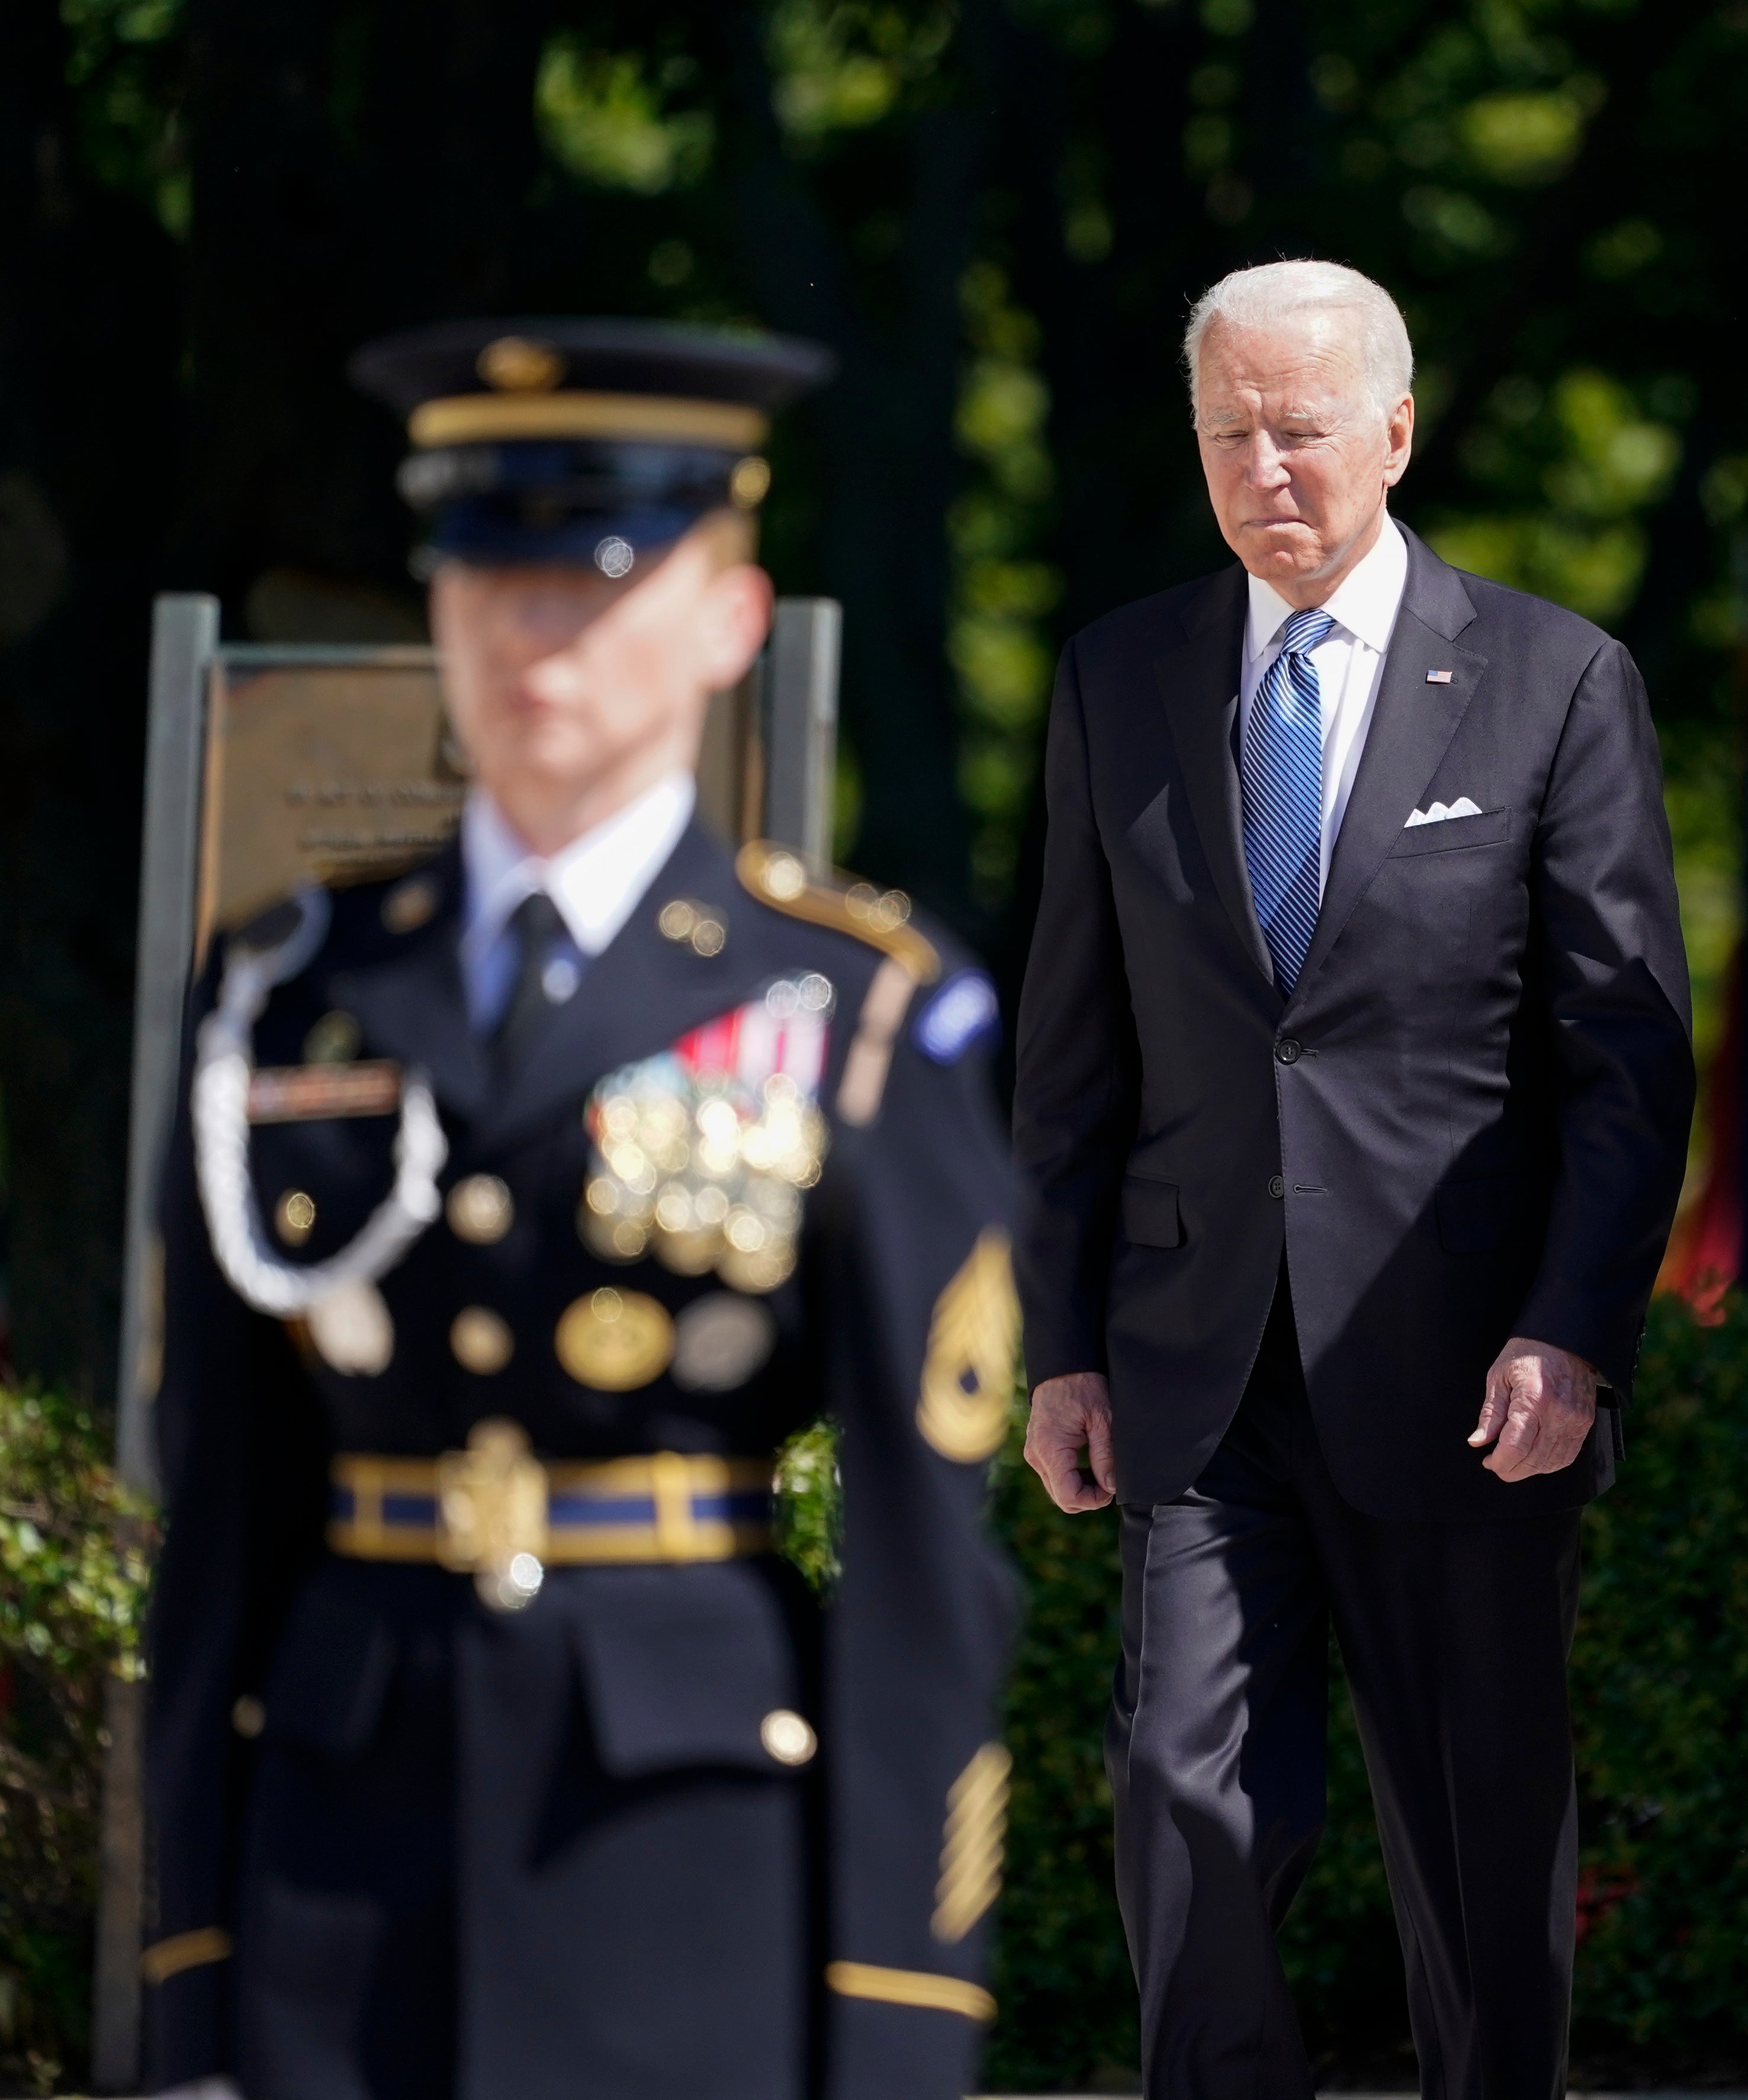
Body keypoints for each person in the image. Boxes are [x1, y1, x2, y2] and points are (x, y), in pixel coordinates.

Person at [139, 320, 1026, 2100]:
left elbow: (932, 1577)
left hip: (686, 1855)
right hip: (339, 1844)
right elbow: (217, 1524)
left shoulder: (853, 1007)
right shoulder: (291, 992)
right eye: (489, 576)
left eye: (600, 582)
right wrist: (188, 1978)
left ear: (727, 621)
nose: (534, 632)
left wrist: (900, 2019)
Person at [1010, 261, 1692, 2099]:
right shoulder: (1122, 678)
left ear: (1392, 431)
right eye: (1227, 431)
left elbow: (1624, 1067)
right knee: (1182, 1798)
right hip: (1197, 1357)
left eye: (1299, 428)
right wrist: (1056, 1340)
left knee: (1479, 1858)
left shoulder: (1555, 684)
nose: (1265, 469)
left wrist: (1571, 1330)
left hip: (1468, 1369)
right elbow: (1072, 1051)